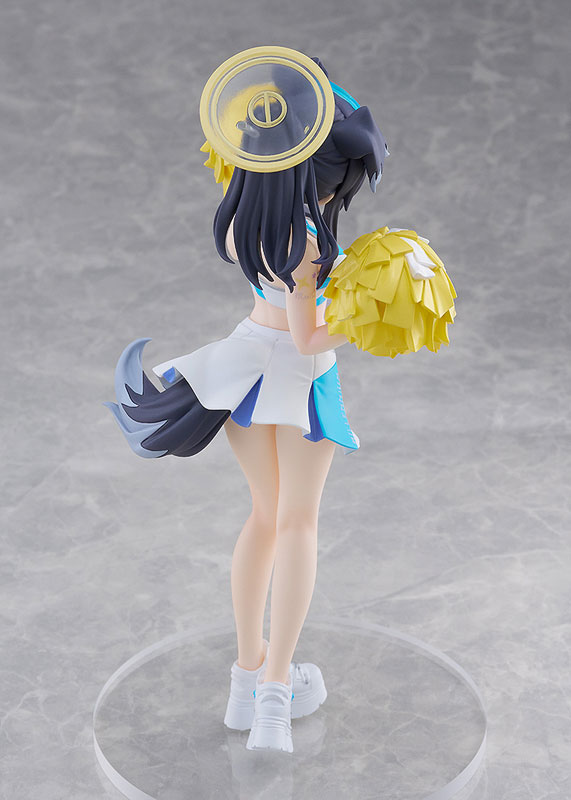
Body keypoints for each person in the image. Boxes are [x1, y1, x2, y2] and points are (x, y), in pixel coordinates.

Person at [104, 46, 455, 753]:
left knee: (263, 520)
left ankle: (245, 679)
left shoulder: (247, 223)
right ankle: (274, 692)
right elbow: (306, 336)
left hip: (241, 369)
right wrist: (373, 312)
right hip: (298, 380)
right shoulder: (308, 243)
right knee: (297, 525)